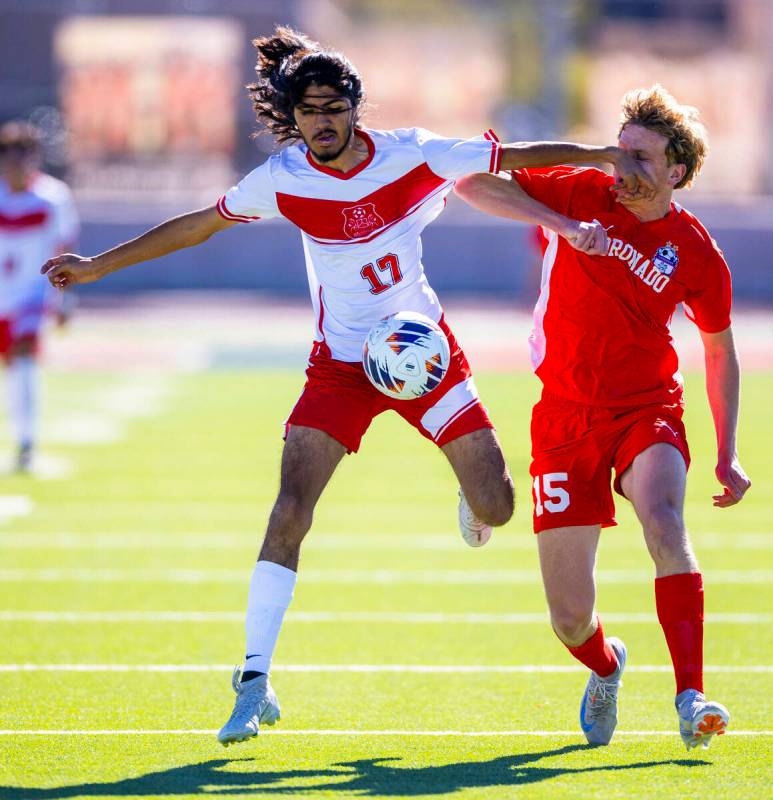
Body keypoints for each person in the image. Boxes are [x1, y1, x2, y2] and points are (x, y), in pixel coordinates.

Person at [42, 26, 651, 747]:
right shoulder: (282, 178)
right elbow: (199, 226)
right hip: (340, 364)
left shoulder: (410, 153)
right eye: (308, 110)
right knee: (289, 509)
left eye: (333, 106)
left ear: (355, 109)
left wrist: (597, 153)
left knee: (497, 506)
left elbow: (509, 157)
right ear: (292, 117)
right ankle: (251, 681)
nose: (321, 121)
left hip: (425, 357)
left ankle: (470, 492)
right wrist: (98, 267)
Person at [454, 84, 751, 750]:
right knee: (568, 618)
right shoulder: (581, 190)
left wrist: (726, 451)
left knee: (665, 521)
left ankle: (690, 696)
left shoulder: (696, 252)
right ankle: (605, 666)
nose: (622, 170)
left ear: (676, 170)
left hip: (647, 409)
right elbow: (471, 182)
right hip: (562, 416)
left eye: (640, 159)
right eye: (619, 154)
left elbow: (718, 350)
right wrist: (558, 225)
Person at [0, 121, 79, 472]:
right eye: (10, 156)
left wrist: (65, 300)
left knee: (24, 358)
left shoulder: (53, 196)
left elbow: (65, 250)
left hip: (33, 294)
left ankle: (26, 442)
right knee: (10, 367)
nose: (16, 165)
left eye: (23, 156)